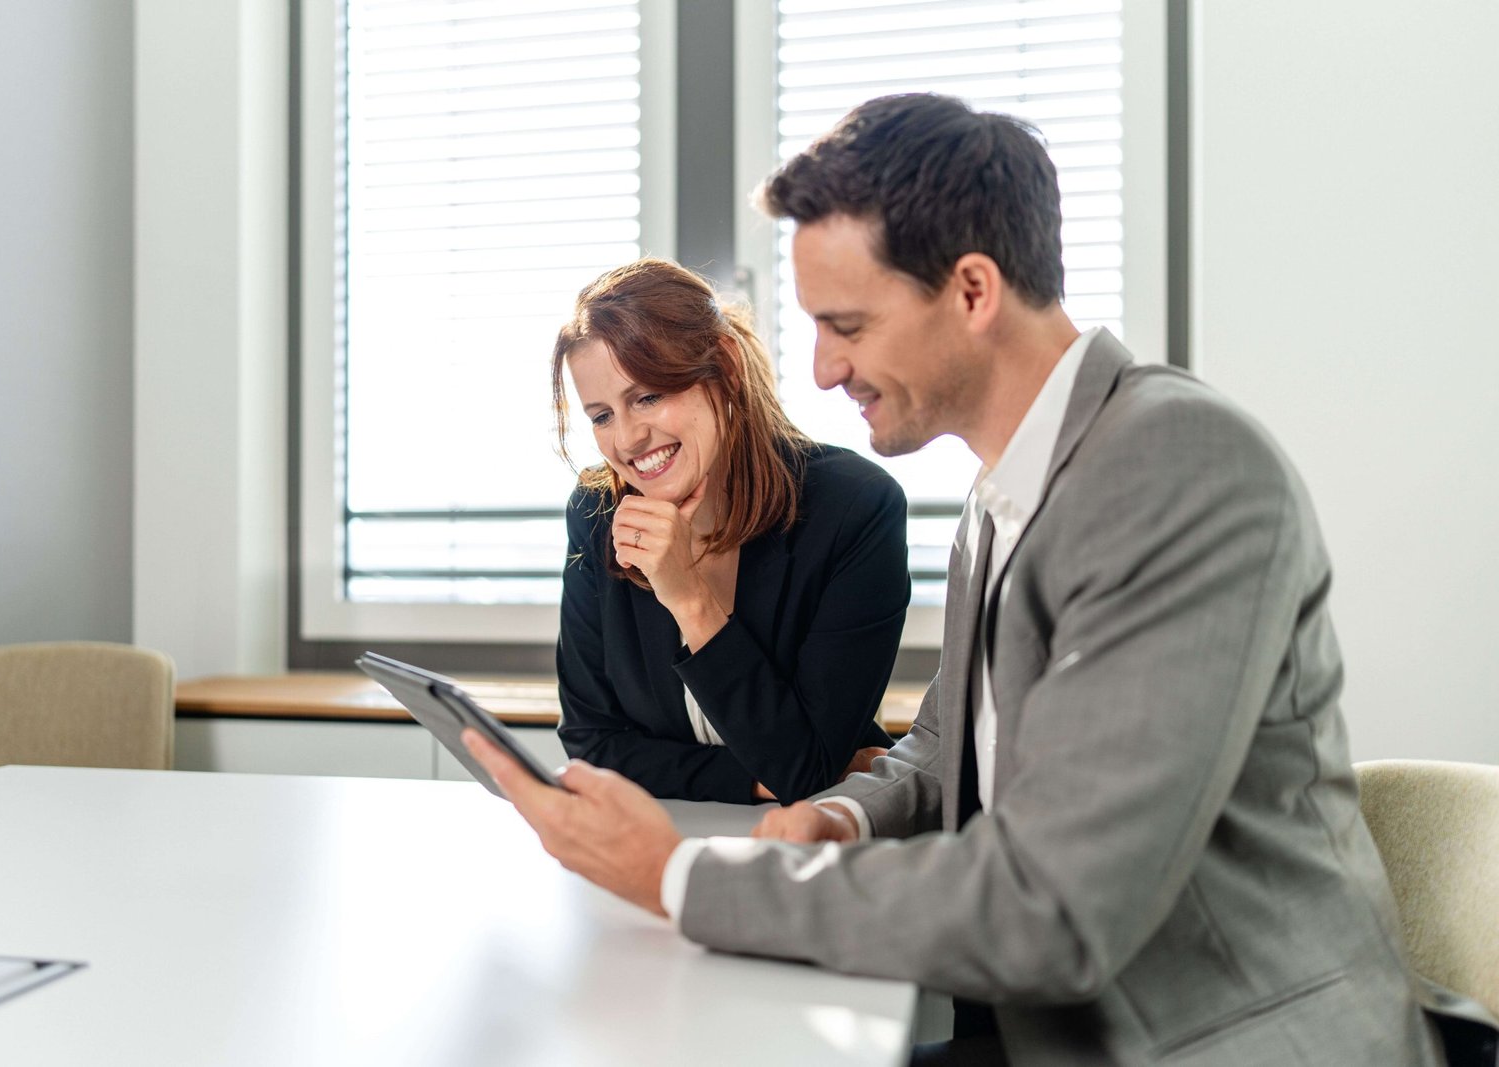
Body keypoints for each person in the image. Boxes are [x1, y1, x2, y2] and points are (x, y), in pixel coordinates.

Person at [471, 95, 1498, 1064]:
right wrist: (847, 813)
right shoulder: (1011, 490)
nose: (821, 369)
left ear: (970, 291)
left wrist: (683, 874)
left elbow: (1054, 906)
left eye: (848, 324)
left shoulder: (1178, 466)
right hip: (1055, 1028)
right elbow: (941, 741)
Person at [549, 258, 909, 805]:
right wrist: (757, 779)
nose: (627, 439)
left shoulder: (855, 509)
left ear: (726, 366)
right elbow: (591, 744)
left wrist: (690, 598)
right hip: (663, 848)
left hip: (810, 858)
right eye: (601, 416)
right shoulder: (597, 513)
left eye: (648, 396)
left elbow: (804, 766)